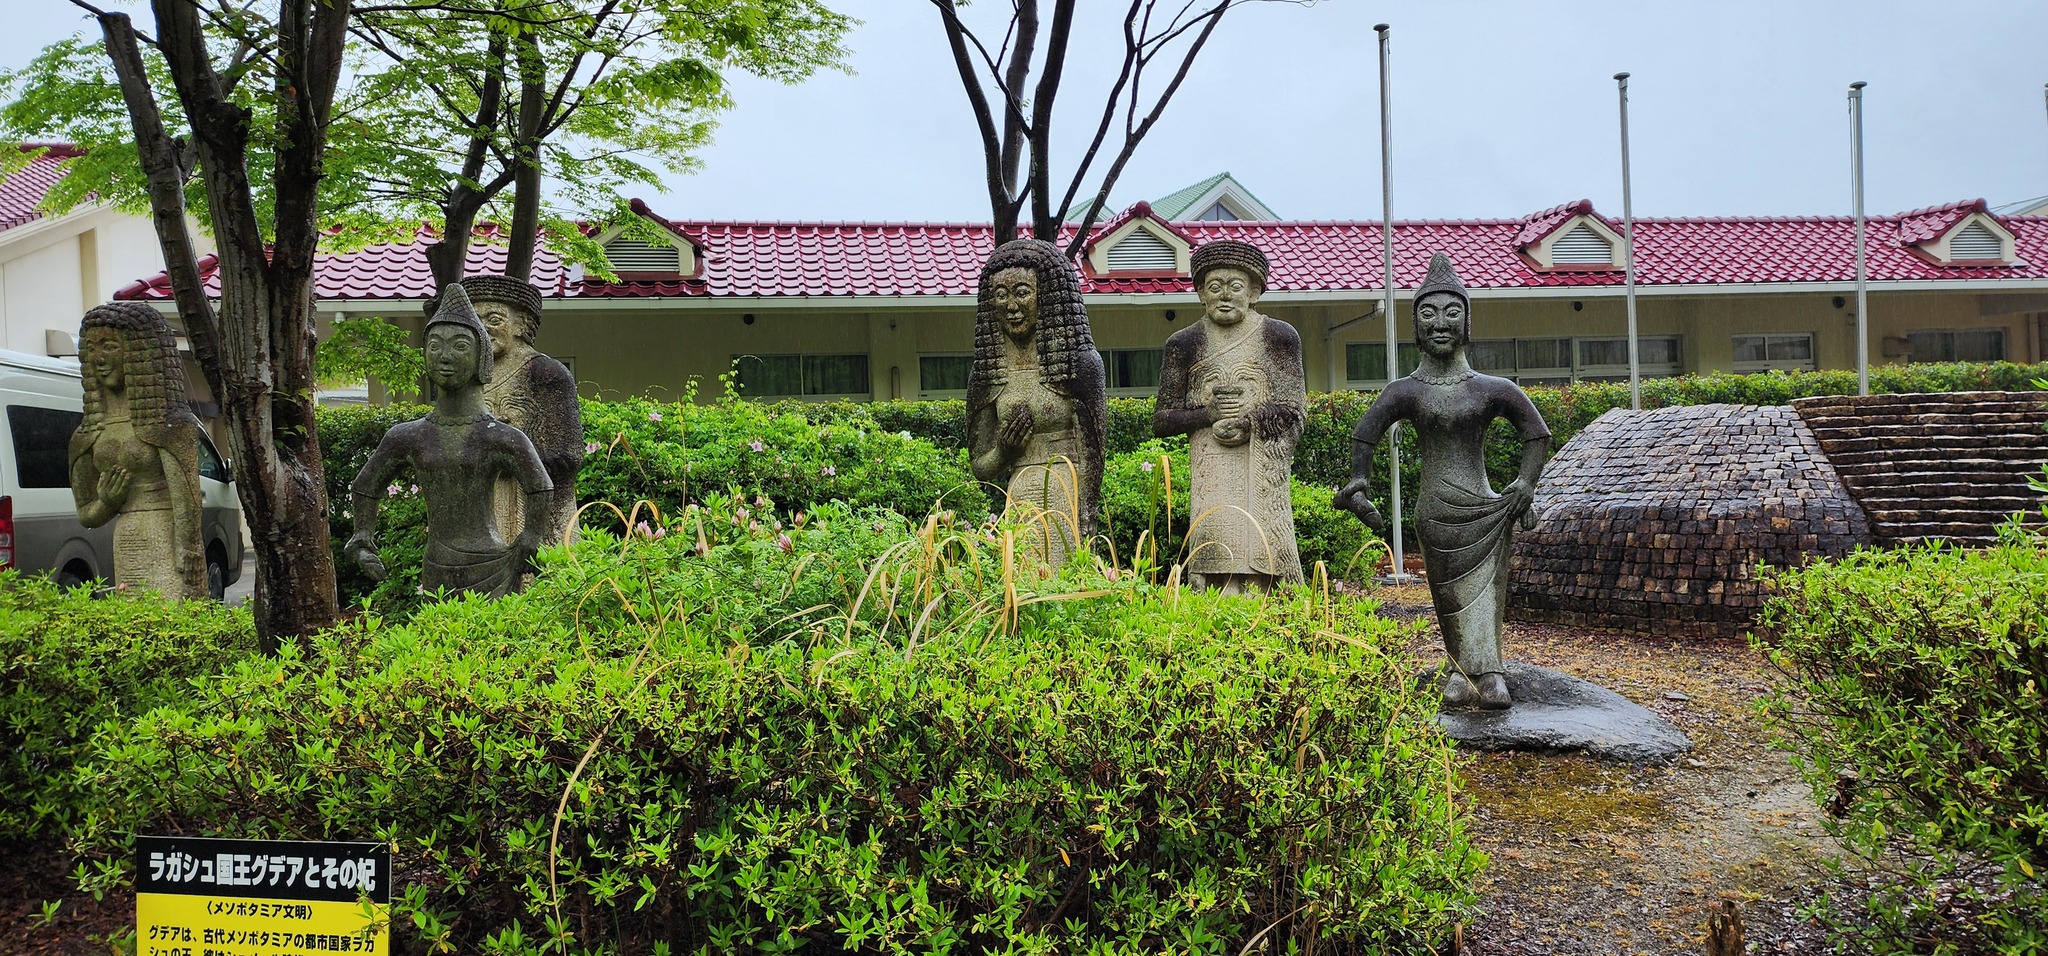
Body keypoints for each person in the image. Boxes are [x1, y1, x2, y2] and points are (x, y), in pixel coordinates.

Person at [1335, 254, 1551, 709]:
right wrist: (1358, 482)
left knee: (1488, 590)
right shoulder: (1405, 390)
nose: (1440, 323)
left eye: (1452, 313)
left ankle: (1490, 671)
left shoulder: (1492, 387)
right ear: (1415, 325)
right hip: (1435, 511)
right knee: (1448, 593)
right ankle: (1457, 667)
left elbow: (1536, 432)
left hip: (1486, 509)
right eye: (1428, 314)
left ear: (1467, 322)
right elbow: (1366, 433)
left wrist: (1525, 484)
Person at [347, 284, 552, 598]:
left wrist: (531, 536)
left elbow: (541, 486)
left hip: (493, 567)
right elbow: (365, 485)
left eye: (459, 346)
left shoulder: (502, 437)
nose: (444, 356)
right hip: (436, 568)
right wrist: (362, 537)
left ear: (481, 355)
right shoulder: (407, 436)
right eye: (434, 345)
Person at [1153, 239, 1306, 592]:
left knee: (1265, 558)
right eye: (1214, 287)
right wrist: (1207, 415)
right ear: (1200, 294)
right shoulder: (1184, 343)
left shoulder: (1279, 337)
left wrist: (1250, 423)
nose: (1225, 296)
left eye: (1235, 287)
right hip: (1211, 470)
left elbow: (1295, 410)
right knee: (1213, 557)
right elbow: (1162, 420)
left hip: (1261, 471)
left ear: (1253, 292)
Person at [966, 238, 1107, 568]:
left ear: (1048, 296)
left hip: (1066, 489)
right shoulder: (986, 374)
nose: (1011, 305)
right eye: (1000, 295)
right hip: (1020, 490)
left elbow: (1093, 454)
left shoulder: (1080, 365)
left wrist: (1087, 520)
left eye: (1022, 292)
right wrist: (1004, 450)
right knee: (1023, 583)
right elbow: (980, 467)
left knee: (1063, 587)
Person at [428, 276, 583, 547]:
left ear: (521, 324)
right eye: (476, 320)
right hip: (479, 505)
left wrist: (510, 456)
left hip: (534, 501)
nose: (484, 327)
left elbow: (568, 455)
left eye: (495, 319)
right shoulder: (467, 377)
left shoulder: (546, 373)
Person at [68, 302, 206, 598]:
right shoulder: (88, 433)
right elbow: (86, 514)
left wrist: (189, 546)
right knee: (134, 615)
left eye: (109, 346)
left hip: (166, 535)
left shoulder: (171, 424)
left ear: (140, 352)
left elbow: (187, 496)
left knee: (171, 617)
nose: (99, 359)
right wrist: (106, 502)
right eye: (91, 349)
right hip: (127, 534)